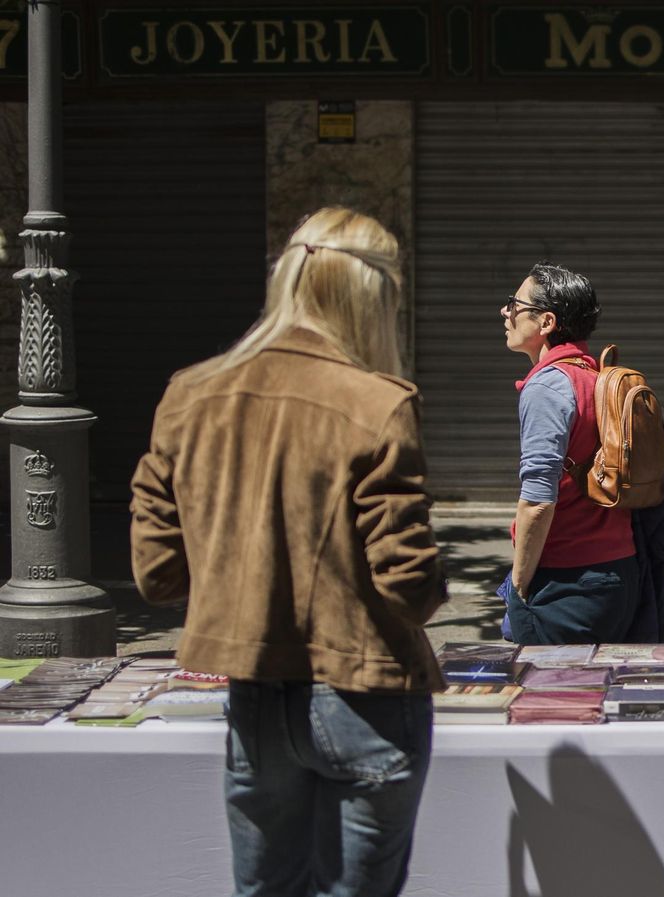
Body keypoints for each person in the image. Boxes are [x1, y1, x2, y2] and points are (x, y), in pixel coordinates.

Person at [130, 207, 447, 897]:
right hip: (367, 695)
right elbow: (409, 582)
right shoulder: (378, 402)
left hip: (255, 695)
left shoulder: (190, 395)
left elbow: (157, 575)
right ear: (371, 296)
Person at [500, 263, 639, 644]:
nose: (505, 312)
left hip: (569, 583)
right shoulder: (593, 377)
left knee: (551, 682)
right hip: (618, 572)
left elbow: (537, 501)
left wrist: (518, 587)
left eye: (515, 304)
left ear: (546, 322)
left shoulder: (548, 387)